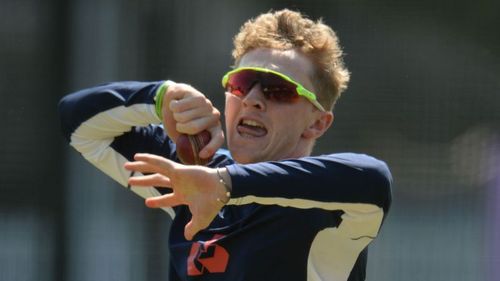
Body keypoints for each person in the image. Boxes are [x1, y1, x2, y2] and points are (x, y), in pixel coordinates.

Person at [59, 9, 392, 281]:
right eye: (242, 84)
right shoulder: (193, 176)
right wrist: (161, 98)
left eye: (278, 89)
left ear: (318, 122)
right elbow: (76, 119)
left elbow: (372, 178)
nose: (252, 100)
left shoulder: (327, 211)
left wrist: (224, 185)